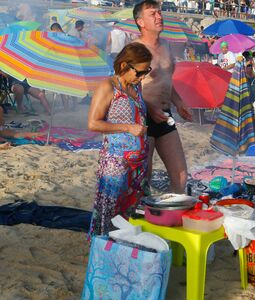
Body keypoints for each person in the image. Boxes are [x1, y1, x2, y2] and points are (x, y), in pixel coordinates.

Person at [87, 43, 152, 239]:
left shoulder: (135, 86)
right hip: (116, 164)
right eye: (140, 72)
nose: (143, 77)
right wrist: (128, 128)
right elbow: (93, 123)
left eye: (147, 71)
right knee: (109, 213)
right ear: (124, 65)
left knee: (135, 214)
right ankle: (103, 253)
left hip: (138, 165)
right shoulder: (108, 87)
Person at [133, 0, 193, 194]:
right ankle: (139, 219)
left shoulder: (166, 45)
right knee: (144, 177)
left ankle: (169, 217)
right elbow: (126, 87)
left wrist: (179, 101)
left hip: (165, 115)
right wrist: (150, 107)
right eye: (153, 14)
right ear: (141, 22)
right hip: (143, 116)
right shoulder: (135, 50)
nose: (159, 17)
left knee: (180, 177)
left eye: (159, 13)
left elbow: (166, 80)